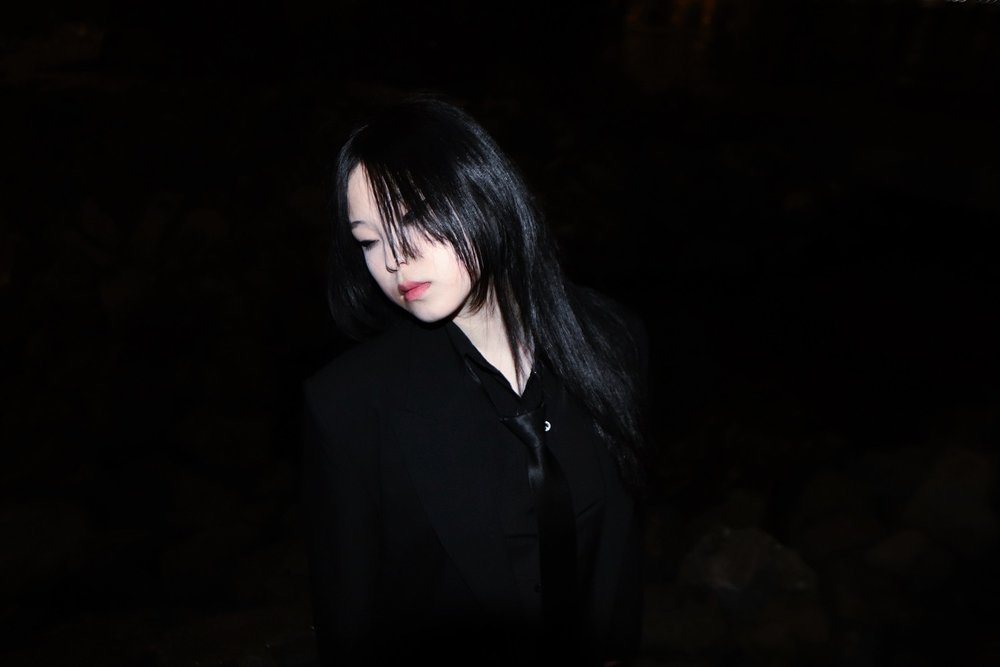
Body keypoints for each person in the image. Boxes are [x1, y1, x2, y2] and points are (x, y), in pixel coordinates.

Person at [300, 96, 652, 667]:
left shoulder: (611, 339)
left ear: (483, 191)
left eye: (413, 217)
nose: (394, 258)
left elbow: (621, 543)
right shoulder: (349, 404)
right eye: (368, 239)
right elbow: (348, 623)